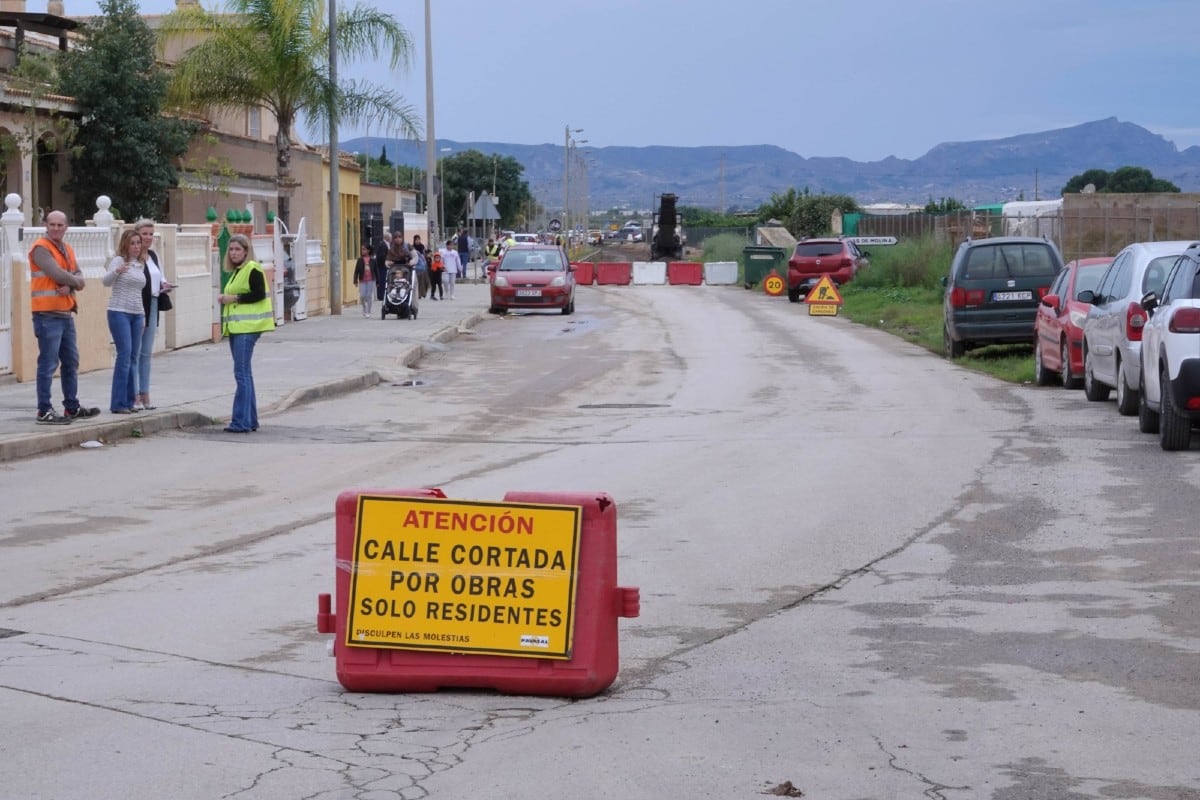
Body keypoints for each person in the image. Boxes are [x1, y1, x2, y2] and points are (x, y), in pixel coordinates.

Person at [30, 210, 100, 424]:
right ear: (46, 225)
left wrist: (71, 284)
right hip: (47, 314)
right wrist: (75, 282)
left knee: (71, 362)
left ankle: (72, 407)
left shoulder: (67, 249)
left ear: (66, 226)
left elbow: (79, 276)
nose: (56, 228)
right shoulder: (40, 248)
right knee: (48, 363)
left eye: (60, 225)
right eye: (52, 224)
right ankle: (44, 410)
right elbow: (57, 274)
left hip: (65, 313)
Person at [218, 234, 274, 433]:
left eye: (237, 249)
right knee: (245, 374)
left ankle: (241, 421)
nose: (233, 253)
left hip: (247, 329)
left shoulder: (252, 268)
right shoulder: (237, 271)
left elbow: (257, 294)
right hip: (238, 328)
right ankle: (250, 420)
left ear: (246, 251)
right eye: (231, 249)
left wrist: (232, 298)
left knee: (241, 375)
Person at [102, 229, 147, 414]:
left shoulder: (139, 264)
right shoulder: (119, 260)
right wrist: (116, 272)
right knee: (124, 355)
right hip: (119, 311)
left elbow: (138, 293)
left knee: (133, 357)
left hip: (137, 313)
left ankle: (130, 401)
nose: (136, 247)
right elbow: (105, 281)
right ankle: (118, 403)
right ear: (125, 245)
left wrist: (143, 316)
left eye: (138, 243)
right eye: (132, 243)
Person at [134, 219, 172, 411]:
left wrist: (165, 285)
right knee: (135, 351)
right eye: (144, 233)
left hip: (154, 303)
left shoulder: (154, 256)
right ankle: (134, 396)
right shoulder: (133, 256)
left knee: (146, 353)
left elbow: (160, 276)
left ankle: (145, 393)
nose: (148, 237)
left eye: (151, 234)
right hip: (138, 305)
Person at [353, 243, 375, 317]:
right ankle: (364, 308)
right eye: (362, 249)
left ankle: (368, 311)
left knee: (369, 296)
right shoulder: (360, 260)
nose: (362, 251)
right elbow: (356, 271)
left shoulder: (372, 260)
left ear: (368, 250)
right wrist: (355, 280)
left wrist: (378, 281)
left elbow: (376, 271)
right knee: (362, 296)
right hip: (362, 280)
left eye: (364, 249)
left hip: (370, 280)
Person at [372, 233, 390, 302]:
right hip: (382, 266)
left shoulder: (383, 244)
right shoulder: (384, 245)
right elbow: (381, 256)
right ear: (387, 237)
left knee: (382, 281)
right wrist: (386, 261)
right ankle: (381, 296)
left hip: (381, 266)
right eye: (390, 237)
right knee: (382, 281)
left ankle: (381, 295)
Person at [411, 234, 429, 299]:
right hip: (416, 267)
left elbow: (425, 255)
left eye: (419, 239)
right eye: (416, 240)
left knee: (424, 281)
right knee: (417, 281)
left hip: (423, 266)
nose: (417, 241)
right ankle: (418, 294)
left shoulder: (422, 247)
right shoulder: (412, 248)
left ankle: (423, 293)